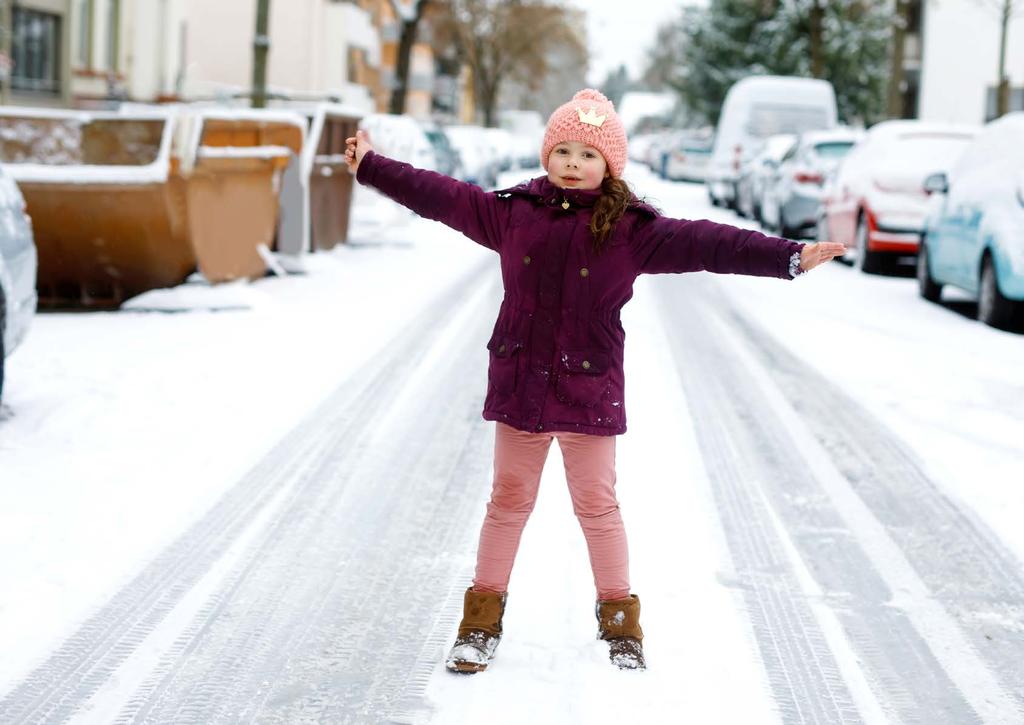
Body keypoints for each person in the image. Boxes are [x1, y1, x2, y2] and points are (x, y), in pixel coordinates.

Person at [345, 89, 844, 674]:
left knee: (597, 505)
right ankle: (479, 625)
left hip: (588, 387)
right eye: (563, 150)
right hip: (521, 385)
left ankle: (620, 626)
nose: (573, 162)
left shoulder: (634, 230)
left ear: (609, 165)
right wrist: (373, 166)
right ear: (547, 155)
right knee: (507, 501)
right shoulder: (511, 214)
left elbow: (713, 242)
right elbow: (441, 195)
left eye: (588, 153)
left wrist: (789, 255)